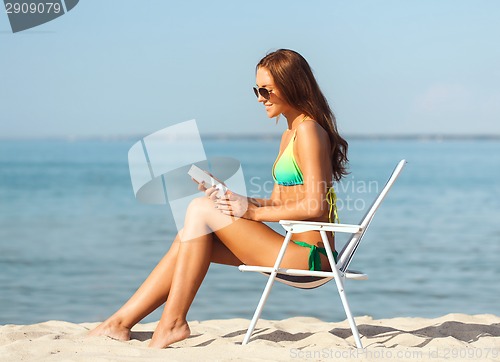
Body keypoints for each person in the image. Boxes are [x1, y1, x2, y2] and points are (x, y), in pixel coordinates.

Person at [88, 49, 349, 348]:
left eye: (266, 90)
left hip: (310, 257)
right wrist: (236, 198)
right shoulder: (289, 133)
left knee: (200, 209)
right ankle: (119, 323)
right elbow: (279, 202)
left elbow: (317, 206)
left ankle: (171, 323)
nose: (260, 98)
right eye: (256, 90)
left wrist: (249, 212)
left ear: (292, 85)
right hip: (292, 249)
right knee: (193, 235)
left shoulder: (309, 130)